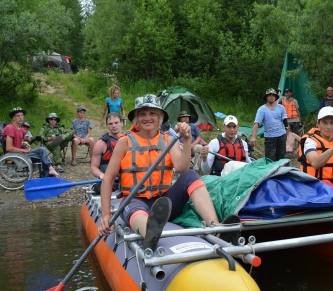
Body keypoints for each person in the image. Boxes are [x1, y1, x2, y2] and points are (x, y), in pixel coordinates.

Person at [97, 94, 236, 250]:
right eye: (142, 114)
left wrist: (187, 138)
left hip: (165, 203)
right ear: (136, 119)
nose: (147, 117)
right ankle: (149, 232)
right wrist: (106, 215)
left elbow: (182, 168)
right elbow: (108, 179)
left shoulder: (169, 141)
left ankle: (216, 228)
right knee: (136, 210)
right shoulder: (124, 142)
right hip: (135, 201)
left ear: (160, 118)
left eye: (152, 113)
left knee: (191, 175)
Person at [3, 107, 60, 177]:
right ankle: (48, 171)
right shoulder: (10, 128)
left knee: (41, 149)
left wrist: (24, 145)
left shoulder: (21, 130)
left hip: (21, 153)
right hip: (16, 155)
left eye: (22, 115)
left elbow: (17, 143)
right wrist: (23, 150)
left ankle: (49, 170)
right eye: (18, 116)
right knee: (42, 156)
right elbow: (9, 148)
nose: (21, 117)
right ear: (13, 118)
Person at [250, 88, 288, 162]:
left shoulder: (281, 107)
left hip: (281, 135)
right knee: (270, 158)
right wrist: (253, 137)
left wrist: (287, 130)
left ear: (275, 97)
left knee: (281, 157)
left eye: (273, 95)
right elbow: (256, 123)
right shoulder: (262, 110)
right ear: (266, 97)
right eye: (269, 95)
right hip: (270, 137)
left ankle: (280, 172)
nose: (271, 97)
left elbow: (285, 121)